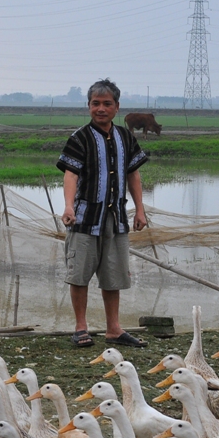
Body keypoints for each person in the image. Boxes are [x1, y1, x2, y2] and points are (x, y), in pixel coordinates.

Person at [57, 78, 149, 348]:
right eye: (95, 103)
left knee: (114, 275)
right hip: (85, 218)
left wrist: (140, 210)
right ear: (88, 107)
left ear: (116, 107)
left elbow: (133, 174)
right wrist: (69, 205)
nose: (101, 108)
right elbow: (70, 174)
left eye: (106, 104)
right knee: (80, 274)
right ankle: (81, 328)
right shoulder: (80, 138)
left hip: (116, 218)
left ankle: (114, 329)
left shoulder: (125, 137)